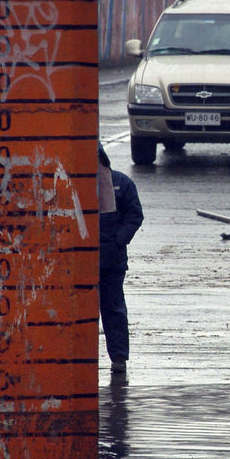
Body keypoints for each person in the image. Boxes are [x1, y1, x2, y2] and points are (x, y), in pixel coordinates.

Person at [98, 143, 144, 375]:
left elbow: (134, 215)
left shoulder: (121, 183)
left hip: (112, 262)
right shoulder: (72, 183)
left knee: (113, 309)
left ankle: (118, 358)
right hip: (79, 264)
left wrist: (119, 240)